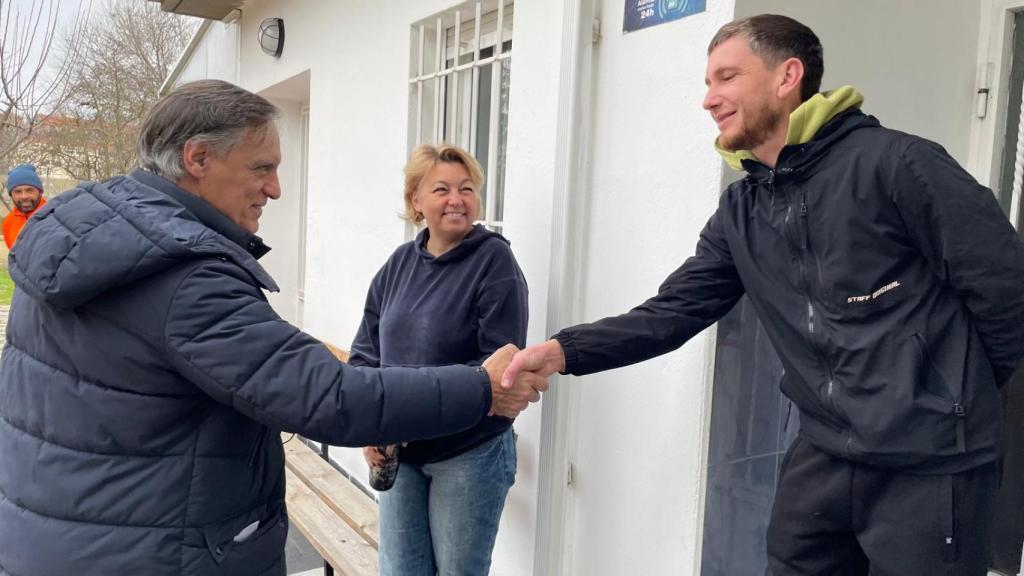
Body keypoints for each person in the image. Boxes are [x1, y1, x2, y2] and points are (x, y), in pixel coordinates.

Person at [503, 14, 1024, 576]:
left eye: (726, 77)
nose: (709, 99)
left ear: (787, 76)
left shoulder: (897, 164)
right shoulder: (742, 210)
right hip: (823, 454)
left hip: (928, 464)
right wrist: (563, 351)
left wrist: (952, 396)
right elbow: (674, 311)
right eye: (707, 83)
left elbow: (1007, 290)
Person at [0, 80, 546, 576]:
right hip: (155, 543)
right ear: (198, 158)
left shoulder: (84, 244)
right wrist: (480, 386)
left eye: (465, 188)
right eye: (263, 167)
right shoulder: (181, 272)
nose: (277, 189)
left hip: (71, 529)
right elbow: (328, 392)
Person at [350, 144, 528, 575]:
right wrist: (368, 422)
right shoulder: (398, 265)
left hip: (468, 452)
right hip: (400, 452)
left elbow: (498, 368)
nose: (457, 199)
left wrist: (411, 408)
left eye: (467, 189)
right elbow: (365, 351)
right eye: (442, 189)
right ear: (416, 200)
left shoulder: (494, 263)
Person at [3, 163, 47, 248]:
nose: (24, 196)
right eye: (18, 192)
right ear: (11, 195)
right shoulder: (9, 223)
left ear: (40, 192)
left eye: (29, 190)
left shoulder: (54, 217)